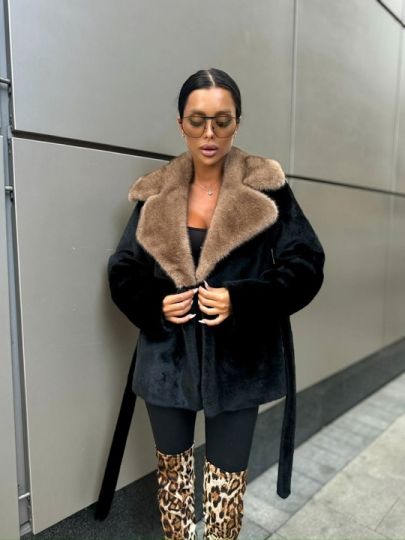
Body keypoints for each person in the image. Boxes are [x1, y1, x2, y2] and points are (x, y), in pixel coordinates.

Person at [95, 68, 325, 540]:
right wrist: (156, 303)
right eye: (197, 120)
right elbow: (123, 268)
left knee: (226, 488)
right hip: (167, 359)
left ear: (237, 122)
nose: (209, 133)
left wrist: (244, 299)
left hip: (240, 362)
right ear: (180, 122)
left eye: (222, 120)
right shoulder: (156, 191)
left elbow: (306, 261)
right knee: (174, 483)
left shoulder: (267, 185)